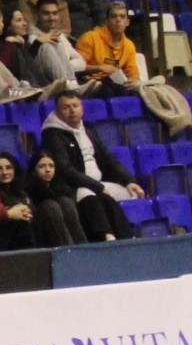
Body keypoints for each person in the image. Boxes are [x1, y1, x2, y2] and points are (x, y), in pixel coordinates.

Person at [39, 89, 141, 241]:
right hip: (74, 187)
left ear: (82, 108)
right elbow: (66, 170)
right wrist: (97, 186)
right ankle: (106, 236)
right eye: (66, 107)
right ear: (57, 111)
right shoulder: (52, 135)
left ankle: (130, 237)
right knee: (91, 196)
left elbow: (108, 158)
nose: (72, 110)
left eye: (75, 105)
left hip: (97, 184)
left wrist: (128, 181)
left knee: (132, 193)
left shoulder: (88, 129)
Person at [0, 151, 80, 248]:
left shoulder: (21, 192)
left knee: (66, 202)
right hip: (13, 236)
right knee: (50, 207)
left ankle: (83, 249)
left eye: (8, 168)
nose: (4, 172)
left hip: (35, 231)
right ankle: (68, 251)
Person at [77, 1, 142, 94]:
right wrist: (99, 68)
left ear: (127, 22)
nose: (118, 20)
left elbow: (132, 72)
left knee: (138, 92)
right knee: (109, 89)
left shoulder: (129, 45)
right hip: (91, 83)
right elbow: (77, 67)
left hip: (116, 84)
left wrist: (134, 80)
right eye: (114, 16)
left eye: (122, 17)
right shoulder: (90, 37)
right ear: (107, 21)